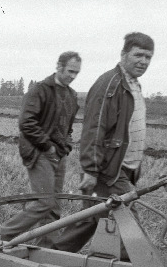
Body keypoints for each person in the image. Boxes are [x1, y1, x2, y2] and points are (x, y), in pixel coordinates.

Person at [51, 33, 154, 253]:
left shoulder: (133, 85)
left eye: (148, 57)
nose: (143, 61)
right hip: (108, 170)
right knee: (129, 229)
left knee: (88, 220)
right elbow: (94, 128)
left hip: (120, 168)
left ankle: (46, 259)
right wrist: (90, 169)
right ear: (124, 54)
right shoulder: (110, 84)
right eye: (138, 55)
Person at [0, 52, 81, 244]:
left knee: (54, 207)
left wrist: (66, 145)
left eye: (76, 73)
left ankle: (46, 250)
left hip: (60, 154)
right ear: (59, 66)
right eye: (70, 71)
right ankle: (4, 234)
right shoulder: (40, 90)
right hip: (39, 153)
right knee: (44, 202)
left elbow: (68, 127)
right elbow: (26, 123)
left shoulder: (72, 95)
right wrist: (48, 147)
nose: (73, 76)